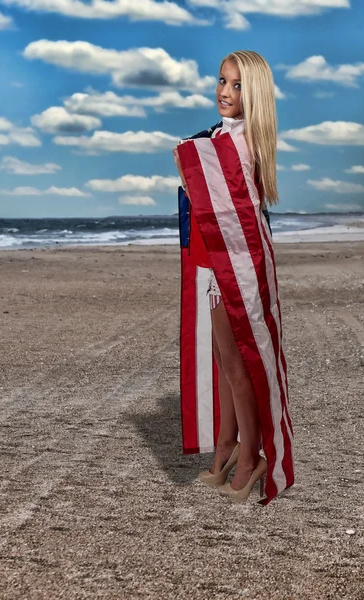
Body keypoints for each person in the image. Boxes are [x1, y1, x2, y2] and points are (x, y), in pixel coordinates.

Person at [173, 50, 294, 505]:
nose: (225, 91)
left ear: (255, 94)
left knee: (239, 365)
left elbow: (212, 191)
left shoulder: (240, 145)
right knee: (225, 361)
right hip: (213, 262)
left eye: (238, 85)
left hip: (233, 267)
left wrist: (188, 165)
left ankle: (251, 456)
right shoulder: (221, 138)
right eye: (222, 81)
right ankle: (226, 446)